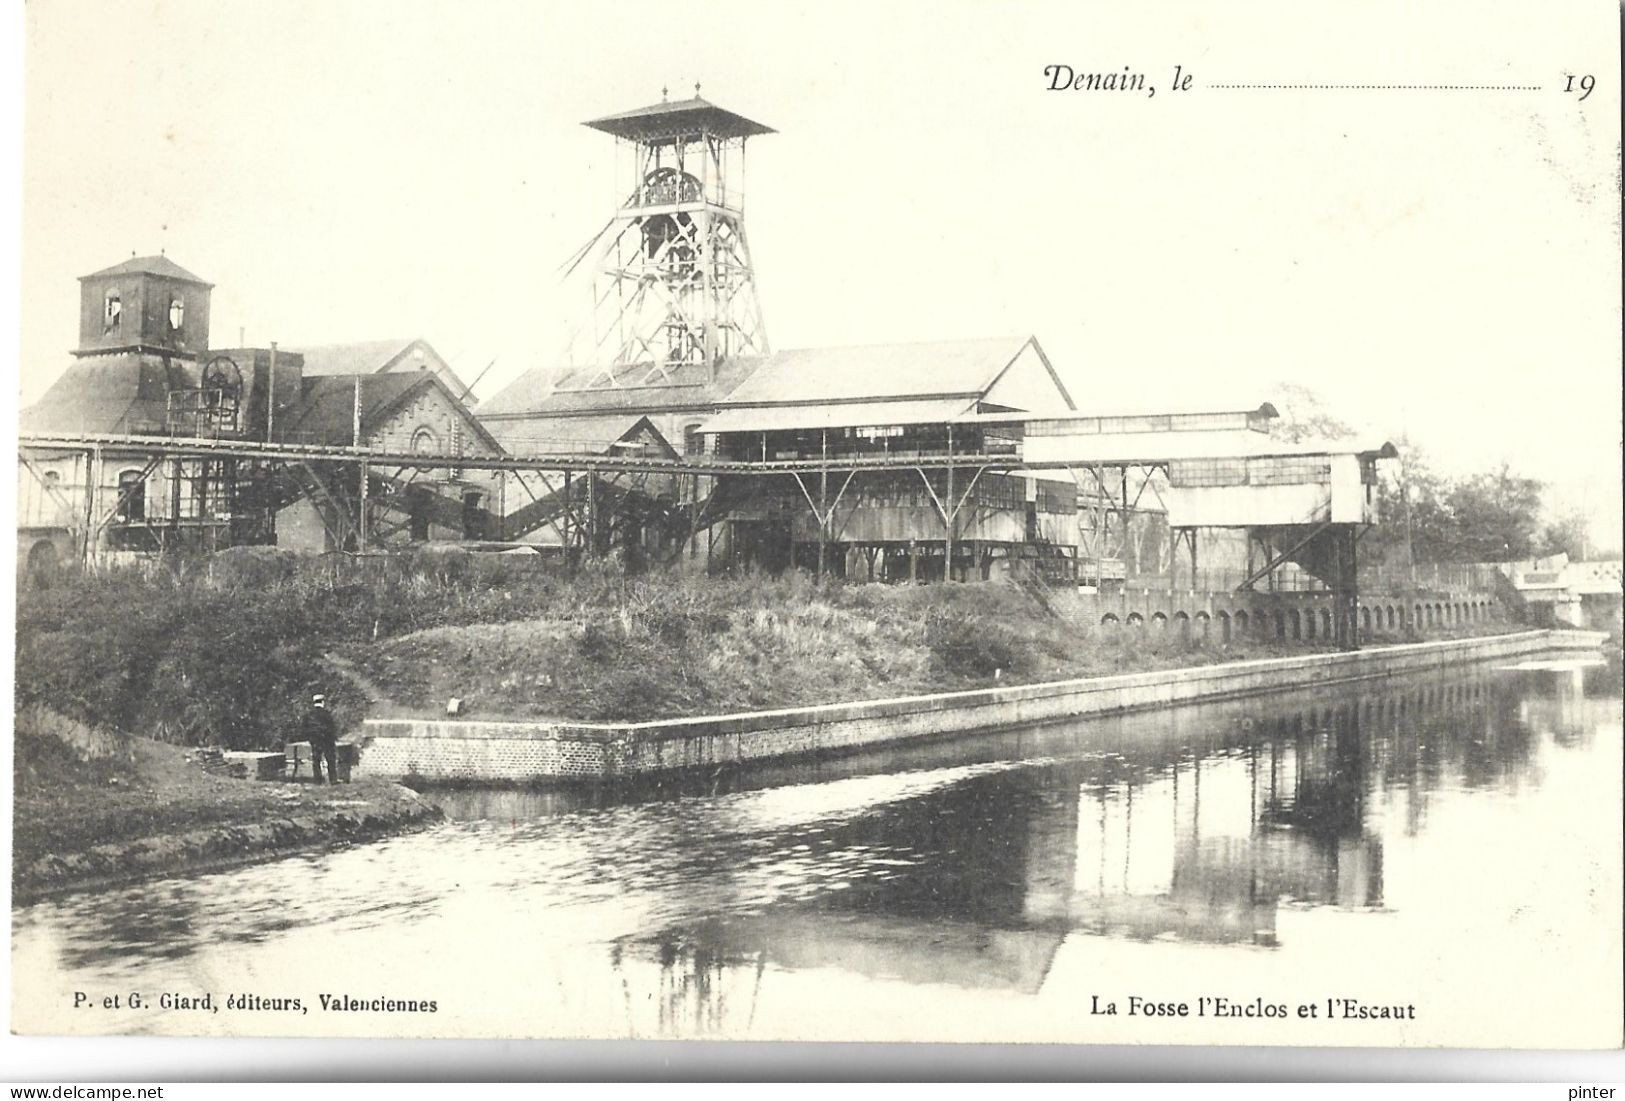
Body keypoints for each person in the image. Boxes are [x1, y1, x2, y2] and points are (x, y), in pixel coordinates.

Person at [301, 692, 339, 784]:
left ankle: (317, 780)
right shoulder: (326, 714)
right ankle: (333, 780)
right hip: (326, 740)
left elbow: (304, 728)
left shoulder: (309, 715)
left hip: (315, 740)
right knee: (330, 759)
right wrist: (333, 738)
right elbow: (332, 727)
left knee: (316, 760)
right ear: (322, 702)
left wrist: (310, 738)